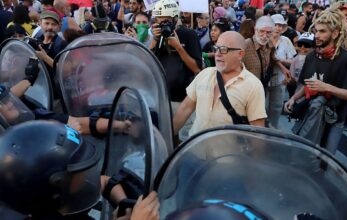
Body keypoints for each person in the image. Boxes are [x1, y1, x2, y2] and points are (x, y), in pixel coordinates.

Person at [0, 121, 160, 220]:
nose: (87, 174)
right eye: (79, 170)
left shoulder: (47, 203)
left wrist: (123, 203)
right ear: (58, 184)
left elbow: (103, 181)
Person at [284, 4, 347, 154]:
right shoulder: (312, 55)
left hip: (335, 119)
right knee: (304, 153)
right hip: (310, 112)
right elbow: (307, 84)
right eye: (316, 30)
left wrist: (326, 87)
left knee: (325, 158)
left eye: (322, 31)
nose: (316, 35)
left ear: (335, 33)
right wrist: (293, 98)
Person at [173, 31, 267, 137]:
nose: (217, 53)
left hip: (227, 153)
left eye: (223, 49)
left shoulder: (253, 86)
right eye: (216, 48)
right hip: (195, 148)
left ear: (240, 54)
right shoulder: (205, 74)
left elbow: (257, 131)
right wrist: (167, 137)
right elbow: (186, 108)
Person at [150, 0, 202, 141]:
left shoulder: (189, 35)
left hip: (184, 101)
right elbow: (148, 63)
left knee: (186, 141)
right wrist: (154, 41)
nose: (161, 24)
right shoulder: (157, 37)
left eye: (165, 20)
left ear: (174, 18)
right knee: (165, 140)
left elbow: (197, 68)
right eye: (158, 20)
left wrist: (179, 47)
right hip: (163, 100)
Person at [268, 14, 296, 129]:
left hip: (280, 79)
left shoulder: (286, 41)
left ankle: (272, 131)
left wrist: (282, 60)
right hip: (263, 79)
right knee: (262, 107)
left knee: (276, 108)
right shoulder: (264, 38)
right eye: (276, 25)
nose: (278, 28)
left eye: (281, 25)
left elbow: (293, 61)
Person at [288, 32, 315, 98]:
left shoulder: (319, 61)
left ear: (314, 47)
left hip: (314, 98)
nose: (302, 47)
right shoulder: (296, 59)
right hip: (298, 97)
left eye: (307, 45)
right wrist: (289, 81)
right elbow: (293, 82)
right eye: (300, 44)